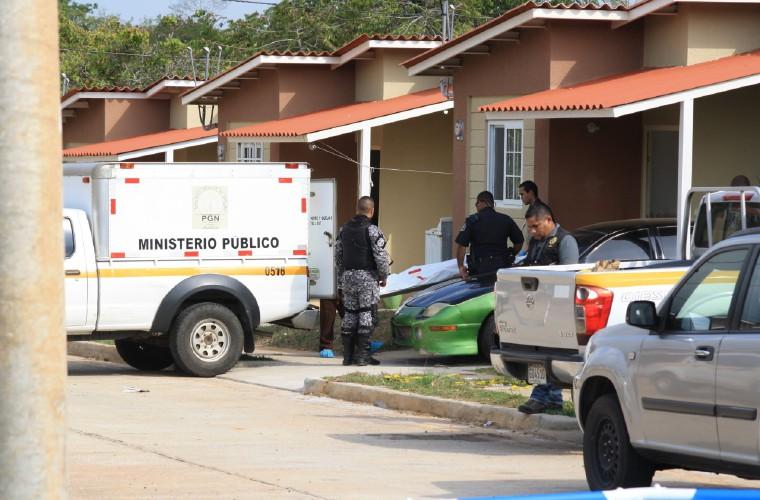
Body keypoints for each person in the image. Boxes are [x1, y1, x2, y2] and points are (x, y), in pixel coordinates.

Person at [518, 202, 579, 415]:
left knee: (549, 356)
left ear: (548, 220)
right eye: (530, 228)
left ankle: (541, 397)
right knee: (539, 355)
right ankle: (551, 398)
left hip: (556, 309)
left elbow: (569, 276)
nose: (533, 232)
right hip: (536, 307)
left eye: (535, 226)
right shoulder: (536, 242)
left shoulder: (565, 240)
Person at [335, 196, 390, 366]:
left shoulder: (343, 230)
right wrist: (384, 275)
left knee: (350, 314)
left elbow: (338, 255)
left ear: (357, 209)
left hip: (348, 277)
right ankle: (363, 355)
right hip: (367, 277)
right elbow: (381, 256)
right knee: (367, 313)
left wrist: (342, 278)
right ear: (371, 211)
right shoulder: (372, 230)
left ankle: (348, 357)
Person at [455, 191, 524, 280]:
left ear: (483, 202)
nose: (476, 205)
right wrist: (511, 254)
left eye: (477, 202)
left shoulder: (472, 221)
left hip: (479, 272)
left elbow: (461, 246)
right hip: (501, 271)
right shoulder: (506, 220)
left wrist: (461, 267)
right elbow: (519, 241)